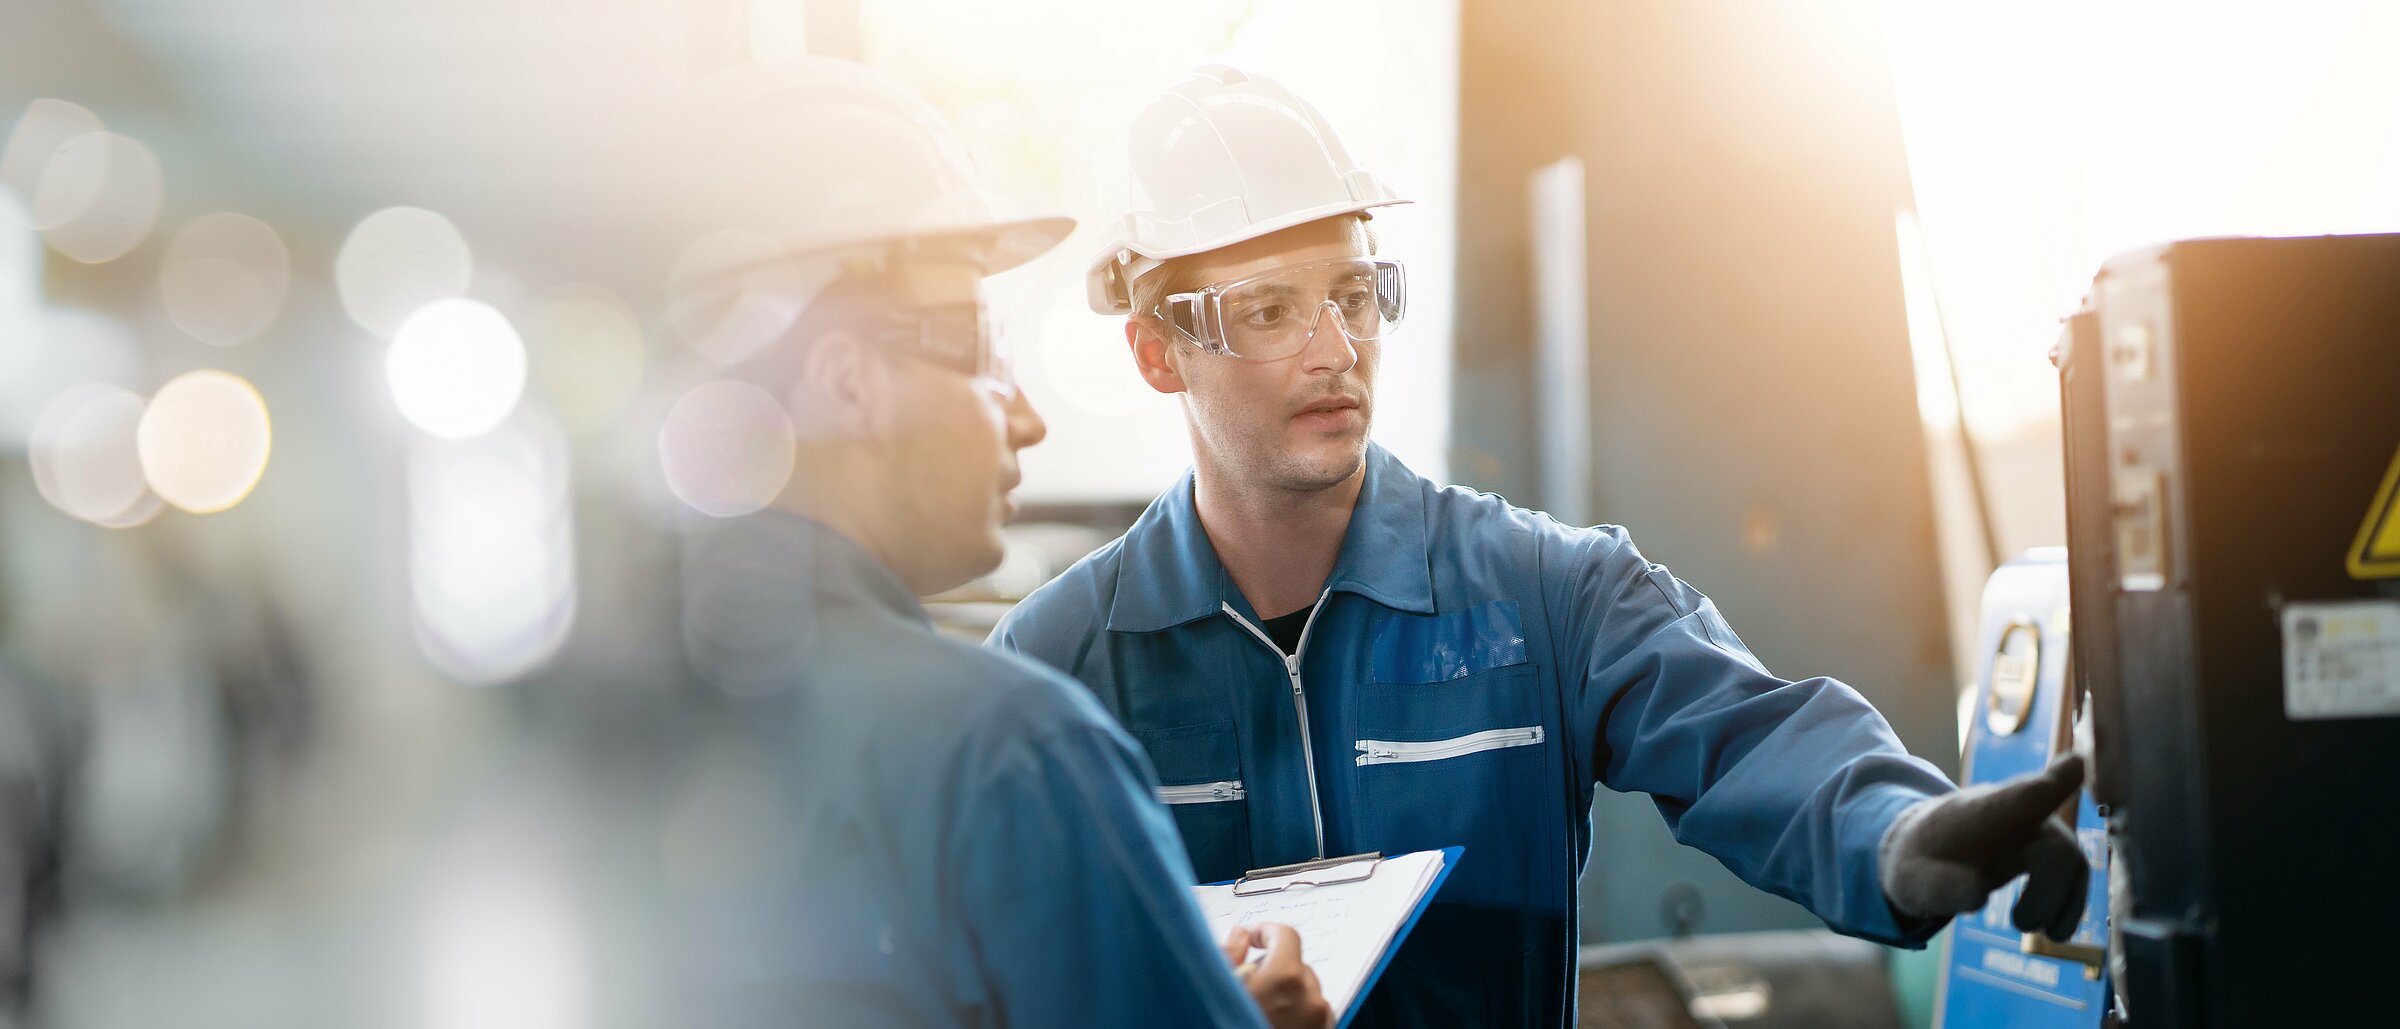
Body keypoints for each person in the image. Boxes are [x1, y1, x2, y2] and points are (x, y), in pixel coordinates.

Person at [989, 67, 2088, 1028]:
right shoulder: (1058, 671)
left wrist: (1900, 833)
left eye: (1355, 295)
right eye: (1271, 311)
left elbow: (1749, 735)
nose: (1336, 350)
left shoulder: (1542, 594)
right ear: (1156, 354)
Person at [670, 58, 1330, 1028]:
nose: (1026, 419)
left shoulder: (593, 724)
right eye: (984, 350)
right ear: (848, 381)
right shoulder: (1011, 753)